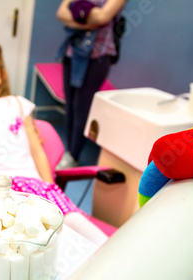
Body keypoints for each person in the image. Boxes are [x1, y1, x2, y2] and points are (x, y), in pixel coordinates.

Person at [0, 39, 108, 245]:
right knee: (17, 243)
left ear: (0, 76)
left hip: (36, 186)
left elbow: (37, 151)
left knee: (86, 234)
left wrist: (50, 186)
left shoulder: (18, 103)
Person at [56, 0, 127, 169]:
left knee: (82, 107)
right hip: (73, 52)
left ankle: (73, 156)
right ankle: (69, 151)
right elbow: (61, 13)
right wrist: (89, 19)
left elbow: (103, 17)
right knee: (70, 104)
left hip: (98, 56)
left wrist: (76, 11)